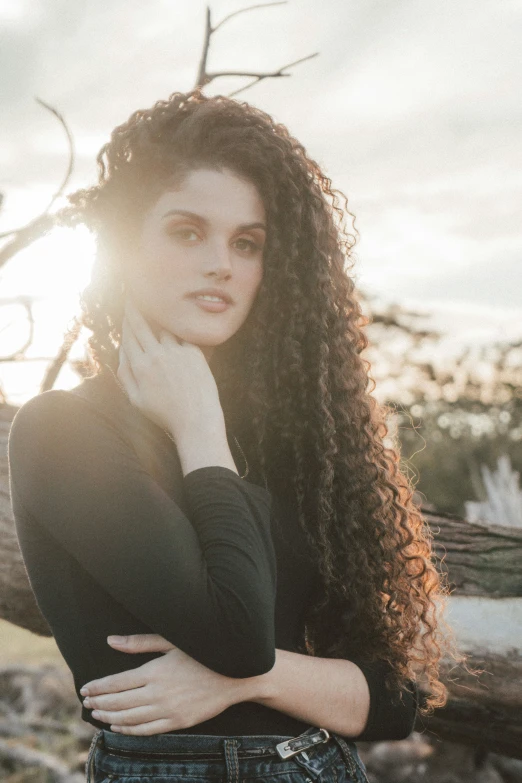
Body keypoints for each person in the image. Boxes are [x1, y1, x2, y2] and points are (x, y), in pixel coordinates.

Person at [7, 89, 461, 783]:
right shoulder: (64, 430)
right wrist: (198, 428)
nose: (222, 262)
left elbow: (396, 694)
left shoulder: (302, 442)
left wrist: (249, 681)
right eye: (188, 231)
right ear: (124, 246)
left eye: (247, 242)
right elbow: (239, 633)